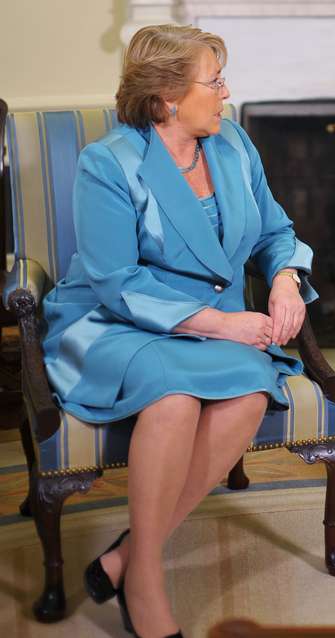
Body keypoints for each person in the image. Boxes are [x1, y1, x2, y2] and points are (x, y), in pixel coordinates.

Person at [41, 24, 316, 638]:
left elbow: (275, 232)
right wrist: (223, 323)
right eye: (213, 81)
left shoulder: (235, 144)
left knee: (249, 391)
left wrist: (284, 281)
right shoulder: (108, 163)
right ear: (167, 96)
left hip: (210, 327)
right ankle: (143, 582)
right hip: (113, 322)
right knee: (172, 401)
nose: (226, 93)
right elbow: (116, 281)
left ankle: (126, 553)